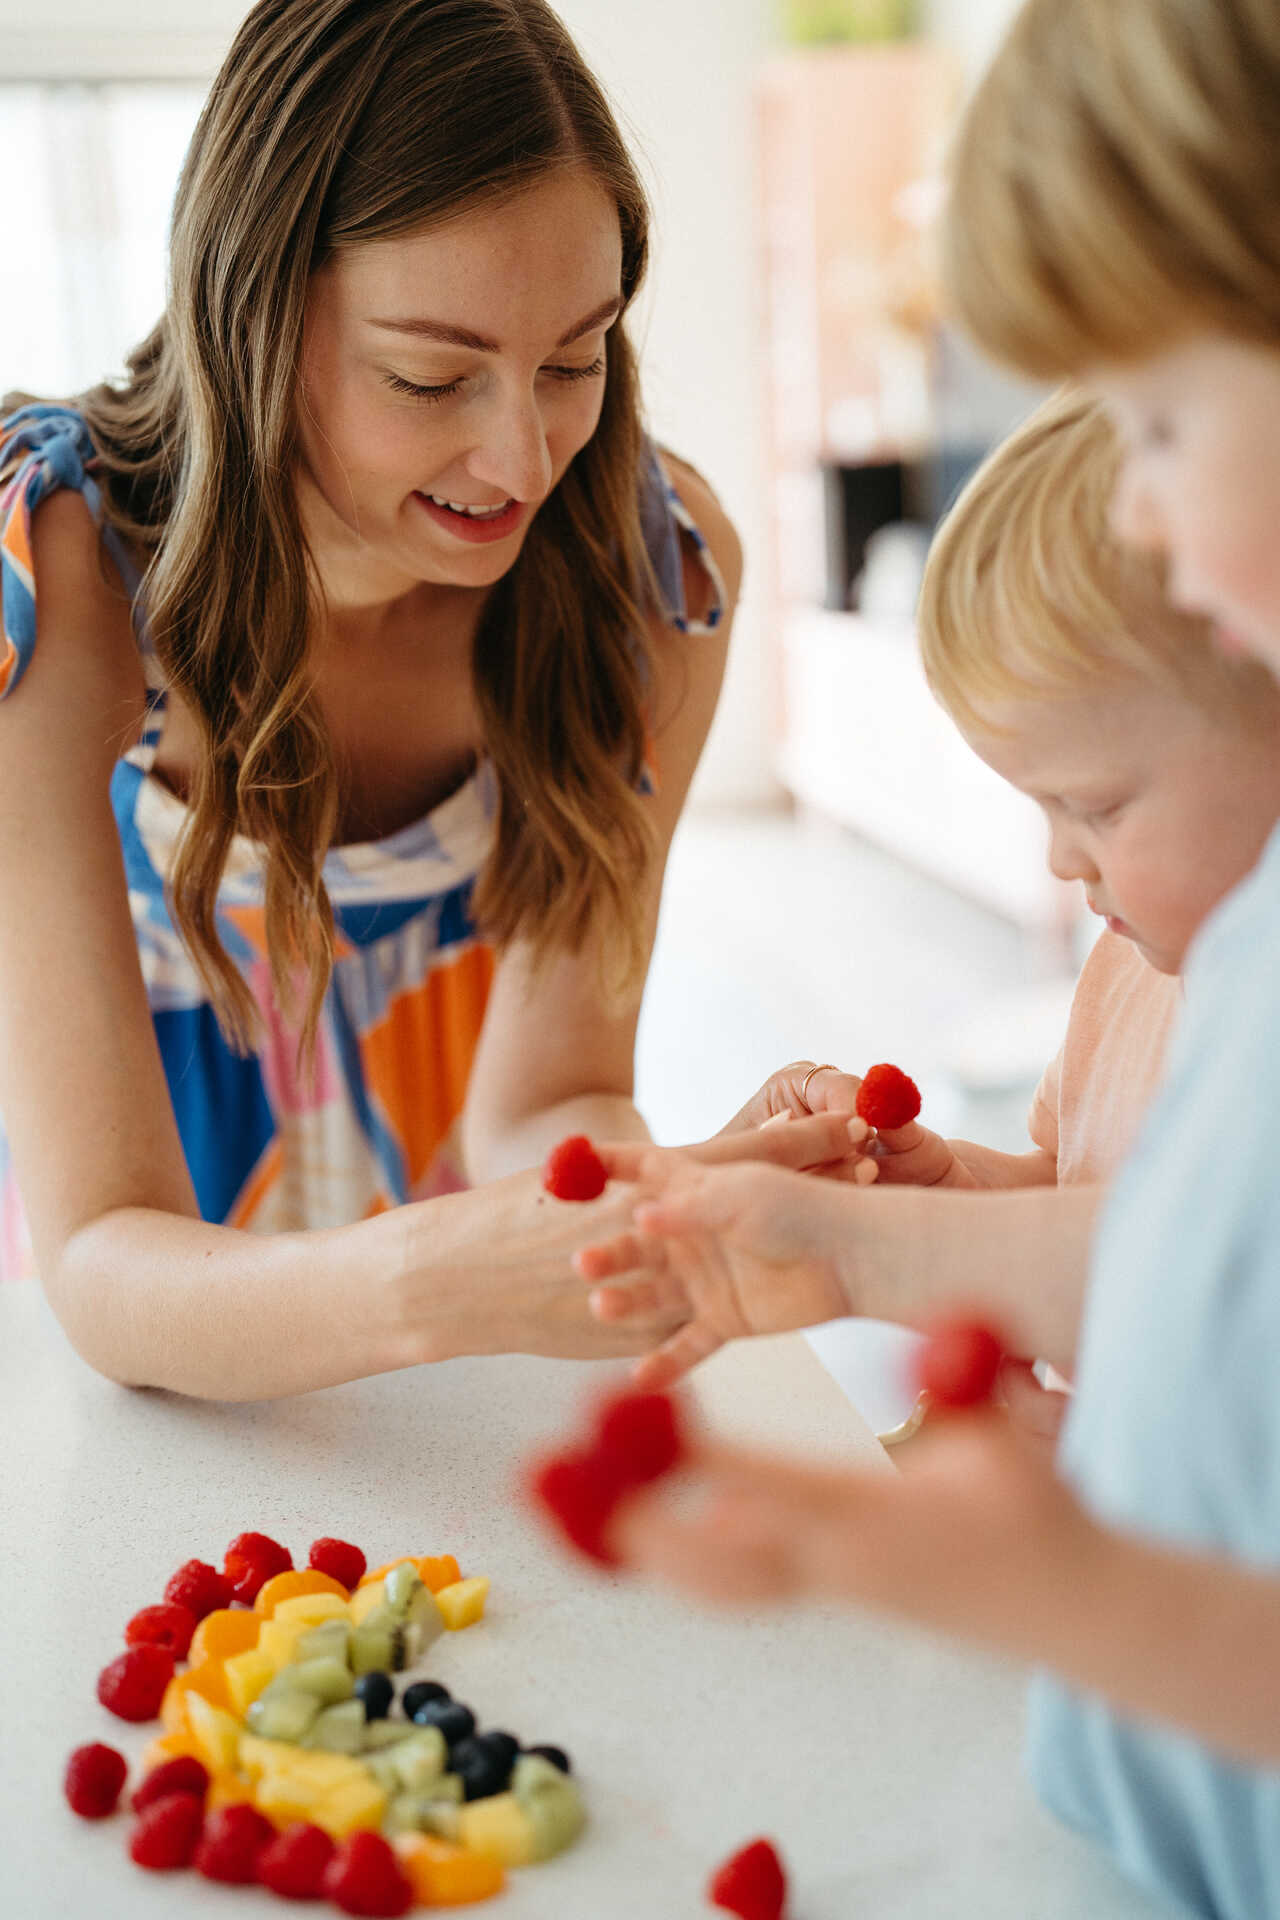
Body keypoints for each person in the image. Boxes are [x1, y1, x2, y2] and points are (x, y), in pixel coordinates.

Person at [571, 0, 1280, 1896]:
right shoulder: (1209, 975)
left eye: (1162, 418)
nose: (1142, 492)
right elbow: (1124, 1244)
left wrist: (865, 1247)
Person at [0, 0, 862, 1400]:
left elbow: (543, 1101)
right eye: (431, 376)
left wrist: (646, 1194)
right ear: (253, 323)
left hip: (466, 1361)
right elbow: (102, 1251)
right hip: (146, 1363)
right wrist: (436, 1274)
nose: (521, 457)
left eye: (575, 360)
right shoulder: (51, 588)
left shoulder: (651, 574)